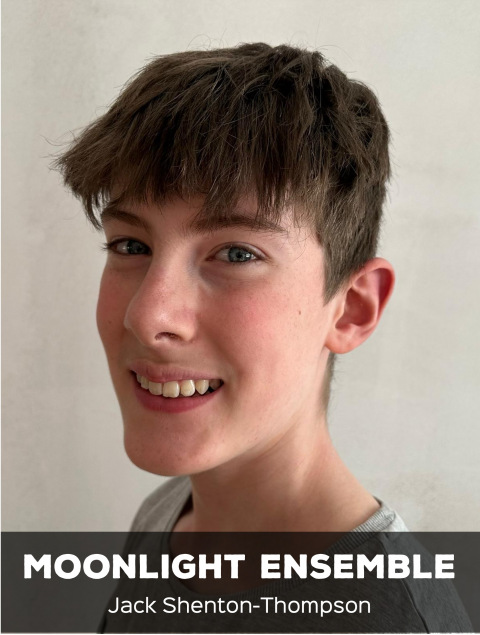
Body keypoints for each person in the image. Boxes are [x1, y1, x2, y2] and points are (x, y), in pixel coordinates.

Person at [55, 43, 472, 632]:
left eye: (236, 253)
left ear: (351, 309)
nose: (148, 316)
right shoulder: (167, 515)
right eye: (131, 245)